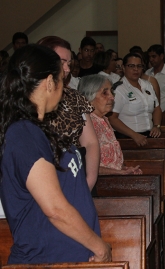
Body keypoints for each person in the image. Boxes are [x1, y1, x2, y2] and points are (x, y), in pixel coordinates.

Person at [0, 45, 111, 264]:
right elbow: (55, 209)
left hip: (66, 255)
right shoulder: (24, 133)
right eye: (61, 79)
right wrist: (99, 247)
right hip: (48, 258)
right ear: (50, 82)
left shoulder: (37, 129)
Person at [38, 36, 100, 191]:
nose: (67, 68)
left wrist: (89, 181)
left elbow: (91, 142)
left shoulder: (74, 97)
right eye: (62, 62)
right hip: (41, 177)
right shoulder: (28, 98)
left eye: (69, 62)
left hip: (75, 174)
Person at [78, 75, 142, 175]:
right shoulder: (86, 123)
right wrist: (119, 173)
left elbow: (111, 163)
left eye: (111, 91)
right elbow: (87, 167)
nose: (112, 97)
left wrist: (125, 169)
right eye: (105, 93)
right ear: (89, 96)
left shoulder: (104, 119)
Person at [109, 53, 162, 147]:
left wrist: (156, 126)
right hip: (127, 138)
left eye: (139, 66)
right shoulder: (119, 89)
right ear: (123, 68)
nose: (136, 69)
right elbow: (112, 118)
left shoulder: (148, 85)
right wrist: (134, 135)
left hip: (149, 135)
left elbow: (157, 108)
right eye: (131, 66)